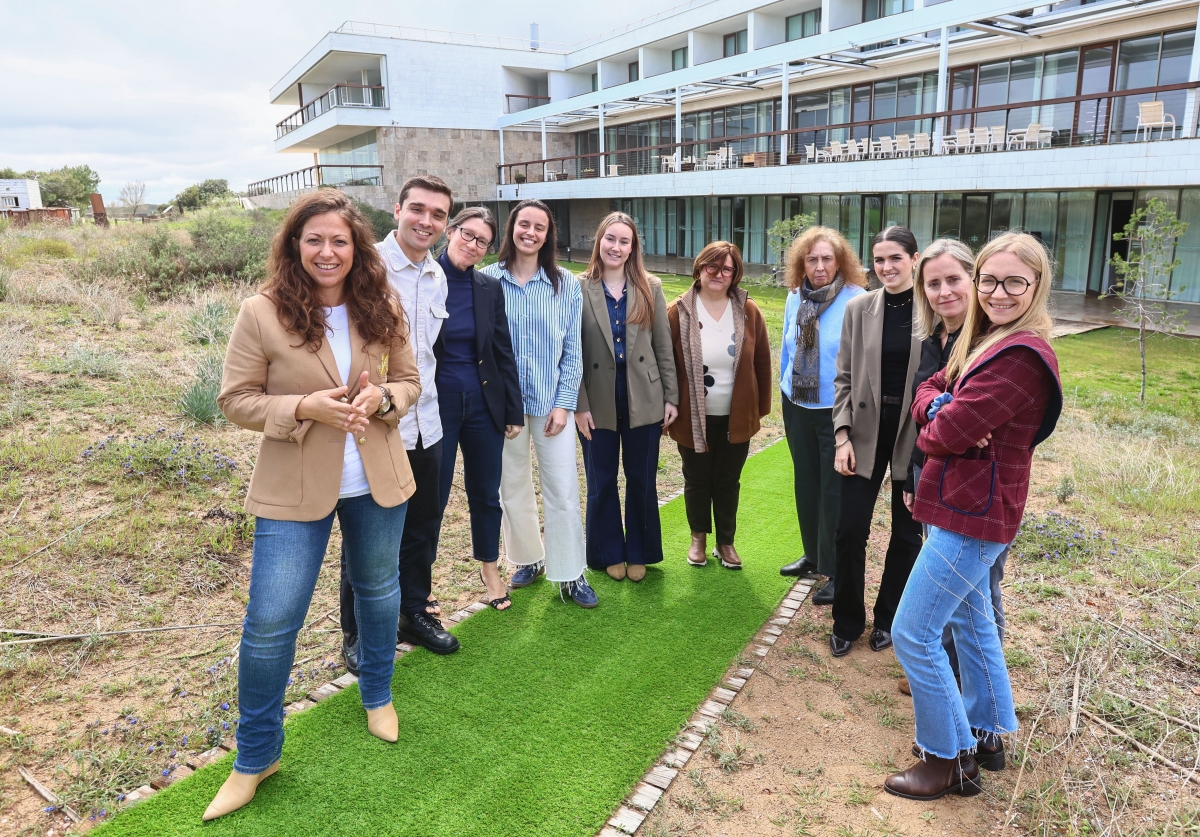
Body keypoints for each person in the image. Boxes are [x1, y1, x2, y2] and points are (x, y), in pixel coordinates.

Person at [209, 190, 421, 820]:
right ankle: (256, 756)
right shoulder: (262, 312)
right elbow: (235, 399)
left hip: (377, 479)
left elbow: (409, 383)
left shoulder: (380, 304)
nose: (327, 252)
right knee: (271, 622)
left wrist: (383, 400)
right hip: (293, 487)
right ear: (295, 246)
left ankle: (377, 693)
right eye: (314, 240)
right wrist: (302, 407)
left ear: (357, 248)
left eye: (340, 241)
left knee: (380, 591)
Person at [886, 231, 1062, 800]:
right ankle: (984, 735)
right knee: (973, 621)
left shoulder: (1019, 358)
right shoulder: (987, 338)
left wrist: (941, 416)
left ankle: (945, 757)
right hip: (969, 504)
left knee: (914, 633)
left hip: (971, 513)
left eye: (1014, 281)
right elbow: (932, 390)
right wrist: (940, 404)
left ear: (1036, 287)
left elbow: (940, 435)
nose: (999, 292)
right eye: (990, 280)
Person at [340, 175, 457, 664]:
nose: (426, 221)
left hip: (426, 424)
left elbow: (427, 358)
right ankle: (358, 633)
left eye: (438, 214)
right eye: (418, 209)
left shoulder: (437, 275)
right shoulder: (363, 268)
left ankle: (413, 611)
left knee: (423, 528)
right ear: (397, 209)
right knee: (367, 539)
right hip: (376, 428)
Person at [481, 200, 596, 607]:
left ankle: (570, 572)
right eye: (523, 224)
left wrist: (564, 404)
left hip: (552, 405)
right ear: (511, 228)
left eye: (540, 227)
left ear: (549, 235)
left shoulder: (567, 284)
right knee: (511, 486)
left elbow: (573, 351)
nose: (530, 232)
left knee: (562, 488)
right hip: (504, 408)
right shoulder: (487, 279)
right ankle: (528, 558)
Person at [896, 239, 992, 696]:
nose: (943, 291)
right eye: (932, 283)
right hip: (935, 474)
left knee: (978, 598)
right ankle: (948, 678)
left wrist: (944, 417)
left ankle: (968, 696)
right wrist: (916, 474)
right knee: (956, 595)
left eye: (954, 279)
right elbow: (925, 410)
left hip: (977, 489)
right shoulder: (937, 339)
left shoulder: (988, 342)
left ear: (974, 280)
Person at [829, 226, 923, 657]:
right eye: (878, 260)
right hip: (863, 431)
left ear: (915, 259)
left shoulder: (935, 312)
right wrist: (842, 435)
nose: (885, 267)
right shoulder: (858, 308)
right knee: (850, 530)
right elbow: (844, 378)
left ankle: (889, 619)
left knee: (907, 535)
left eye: (895, 259)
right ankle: (847, 620)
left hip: (915, 434)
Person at [576, 212, 679, 581]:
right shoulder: (578, 287)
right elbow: (571, 352)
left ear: (633, 247)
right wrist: (579, 406)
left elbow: (663, 346)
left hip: (645, 399)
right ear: (599, 241)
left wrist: (671, 397)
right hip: (596, 399)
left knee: (642, 479)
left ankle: (640, 550)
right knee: (601, 481)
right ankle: (607, 552)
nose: (616, 247)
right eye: (610, 239)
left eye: (624, 241)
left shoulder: (650, 286)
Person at [433, 206, 523, 610]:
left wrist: (513, 410)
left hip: (484, 406)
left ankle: (489, 567)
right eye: (467, 235)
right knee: (431, 497)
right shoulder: (424, 279)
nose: (472, 245)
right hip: (436, 405)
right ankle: (422, 581)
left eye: (482, 241)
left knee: (486, 492)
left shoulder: (489, 288)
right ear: (450, 232)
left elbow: (503, 352)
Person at [667, 241, 772, 569]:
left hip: (735, 416)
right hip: (691, 416)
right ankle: (698, 538)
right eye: (713, 266)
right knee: (697, 479)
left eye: (728, 269)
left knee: (728, 481)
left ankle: (725, 542)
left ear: (735, 275)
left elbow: (762, 362)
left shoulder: (747, 310)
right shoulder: (678, 310)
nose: (719, 274)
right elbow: (665, 364)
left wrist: (760, 408)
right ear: (700, 267)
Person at [777, 227, 868, 604]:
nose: (819, 266)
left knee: (834, 493)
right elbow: (785, 347)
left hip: (835, 410)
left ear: (840, 261)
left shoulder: (858, 300)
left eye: (827, 258)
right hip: (796, 404)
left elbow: (863, 364)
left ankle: (833, 569)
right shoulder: (794, 297)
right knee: (806, 484)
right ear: (802, 262)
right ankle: (813, 556)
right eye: (812, 259)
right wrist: (783, 390)